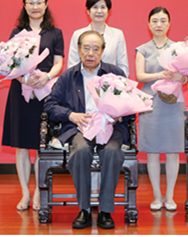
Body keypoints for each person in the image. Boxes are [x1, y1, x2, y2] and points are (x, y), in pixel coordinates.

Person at [44, 31, 128, 230]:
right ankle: (84, 209)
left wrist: (120, 115)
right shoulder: (68, 76)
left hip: (110, 127)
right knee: (80, 151)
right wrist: (71, 115)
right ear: (79, 50)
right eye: (86, 48)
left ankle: (105, 210)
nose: (91, 53)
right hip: (80, 127)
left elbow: (131, 104)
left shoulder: (115, 74)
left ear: (103, 51)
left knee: (112, 152)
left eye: (96, 49)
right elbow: (50, 105)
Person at [0, 0, 64, 211]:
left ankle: (38, 191)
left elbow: (58, 63)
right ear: (25, 6)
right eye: (31, 3)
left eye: (39, 2)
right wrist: (23, 78)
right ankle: (25, 193)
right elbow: (9, 62)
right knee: (21, 145)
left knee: (41, 144)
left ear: (46, 5)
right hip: (21, 92)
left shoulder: (55, 33)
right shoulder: (17, 33)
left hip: (45, 92)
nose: (35, 7)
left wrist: (46, 77)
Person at [135, 7, 186, 212]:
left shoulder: (178, 49)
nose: (159, 24)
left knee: (173, 150)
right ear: (149, 24)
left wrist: (180, 77)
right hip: (151, 103)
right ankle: (157, 196)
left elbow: (185, 76)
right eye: (155, 21)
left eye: (163, 21)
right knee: (153, 151)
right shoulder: (142, 49)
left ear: (169, 24)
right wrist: (160, 75)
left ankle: (170, 196)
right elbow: (140, 76)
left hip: (173, 103)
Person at [66, 0, 128, 75]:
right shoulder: (77, 34)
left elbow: (123, 66)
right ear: (88, 11)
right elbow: (72, 65)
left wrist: (117, 82)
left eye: (103, 7)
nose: (99, 11)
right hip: (84, 81)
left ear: (108, 11)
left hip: (108, 82)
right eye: (95, 7)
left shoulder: (118, 34)